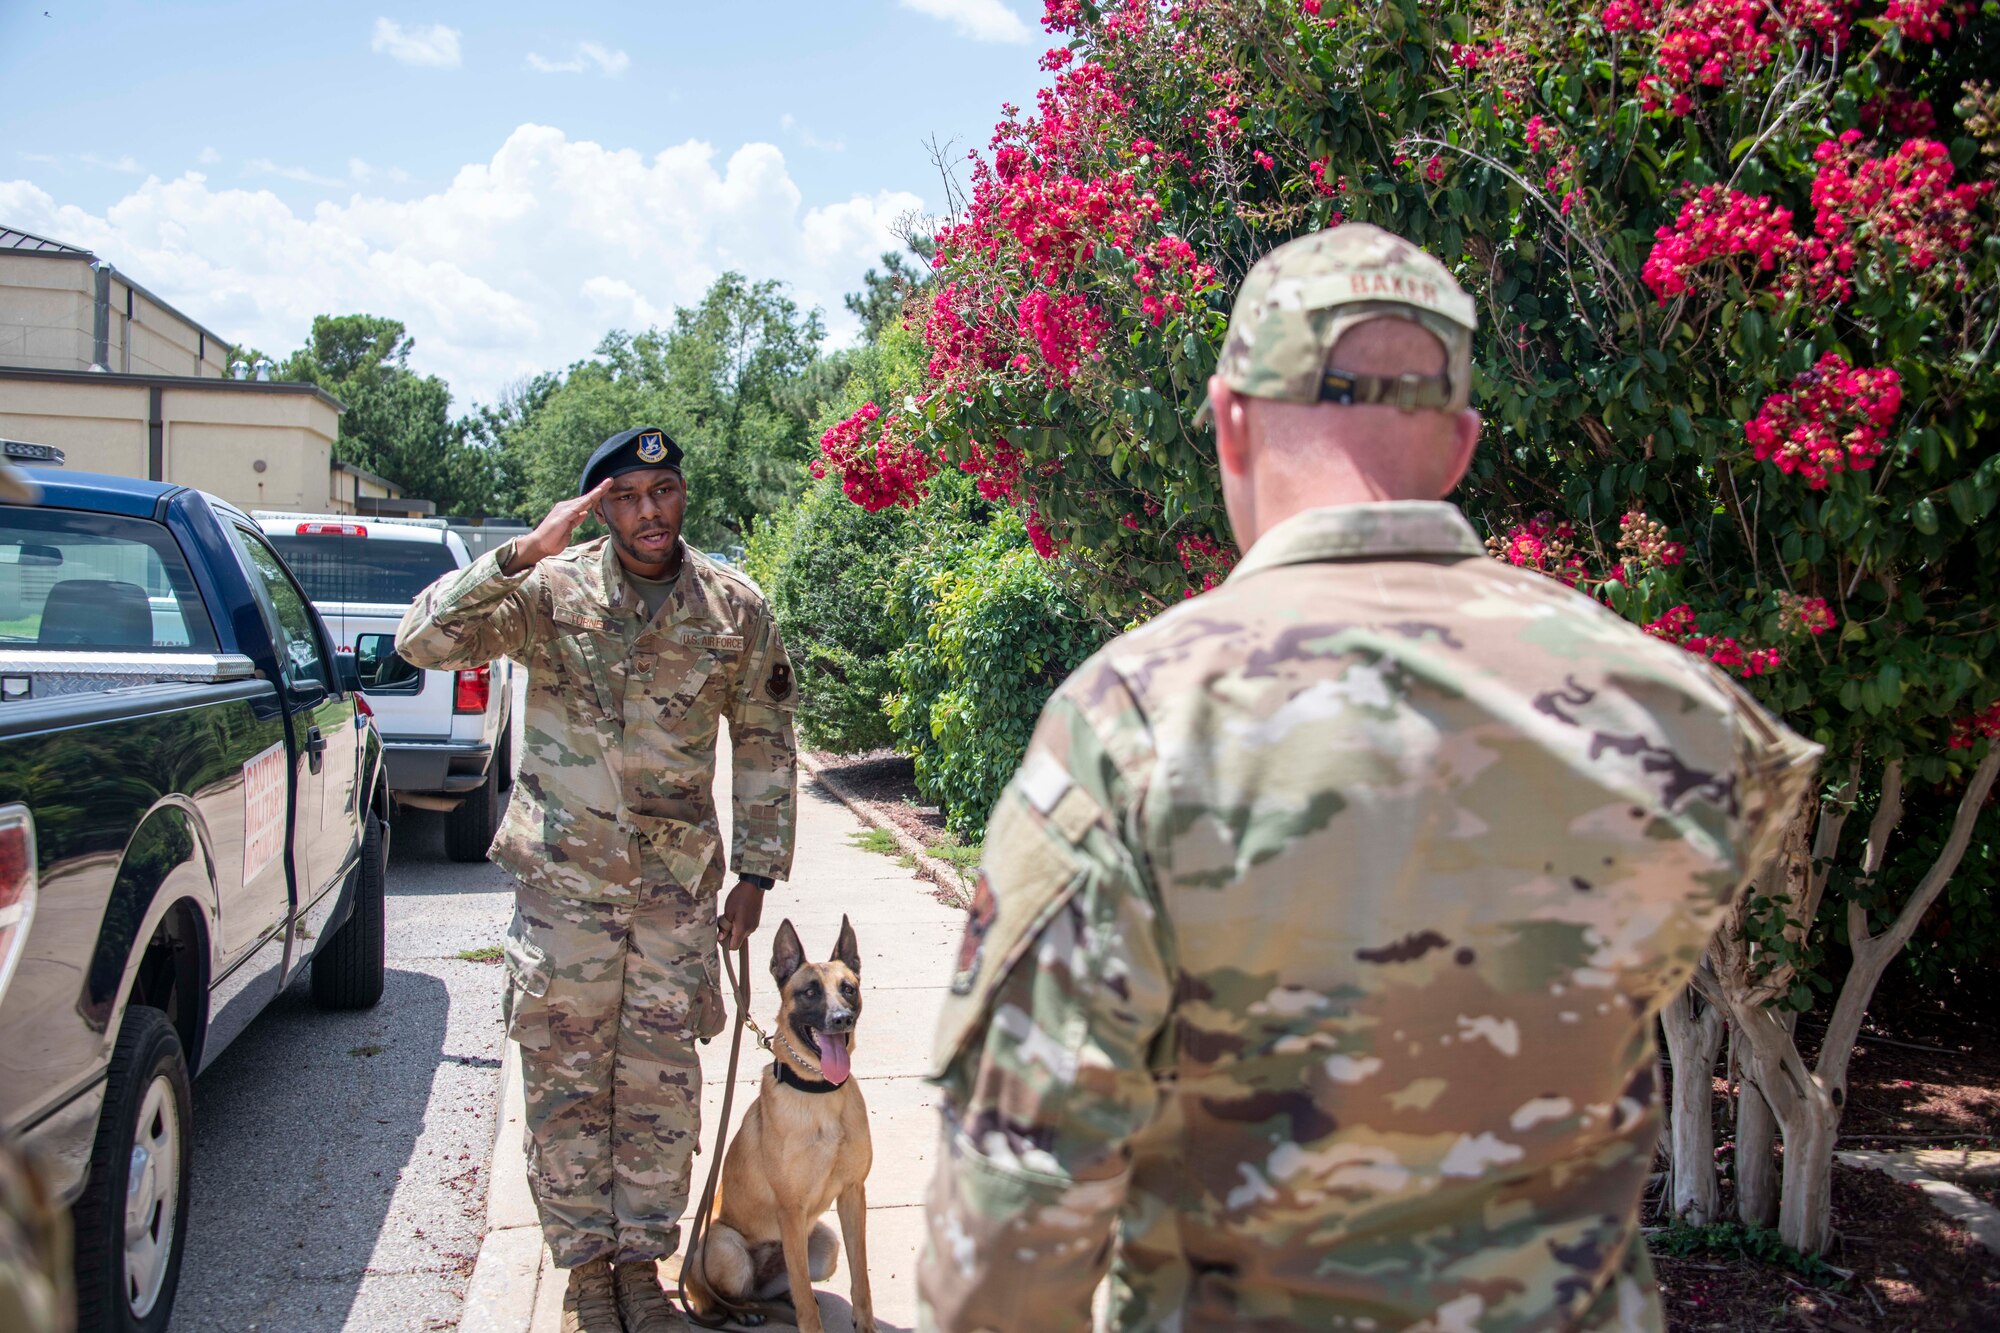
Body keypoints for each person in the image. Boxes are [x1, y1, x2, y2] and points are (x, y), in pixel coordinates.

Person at [917, 223, 1822, 1331]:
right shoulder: (1668, 705)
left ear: (1229, 421)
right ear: (1460, 443)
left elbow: (1013, 1217)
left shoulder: (1136, 721)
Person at [398, 427, 798, 1333]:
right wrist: (519, 553)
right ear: (598, 506)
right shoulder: (549, 590)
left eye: (662, 489)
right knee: (567, 1081)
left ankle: (641, 1274)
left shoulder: (734, 605)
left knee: (658, 1088)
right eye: (626, 495)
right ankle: (586, 1282)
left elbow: (767, 742)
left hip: (675, 898)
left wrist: (759, 871)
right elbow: (422, 640)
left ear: (681, 492)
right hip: (566, 890)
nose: (649, 511)